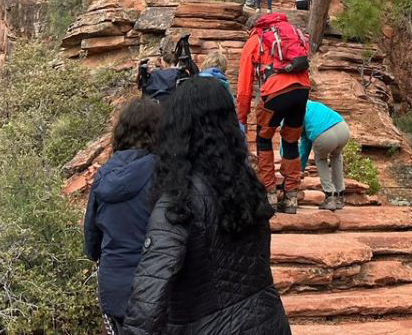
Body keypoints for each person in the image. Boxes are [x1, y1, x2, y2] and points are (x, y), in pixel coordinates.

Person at [122, 77, 290, 335]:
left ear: (176, 128)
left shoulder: (180, 201)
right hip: (267, 319)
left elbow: (150, 291)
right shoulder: (246, 185)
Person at [84, 98, 163, 334]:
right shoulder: (162, 173)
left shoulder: (103, 176)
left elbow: (91, 245)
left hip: (113, 287)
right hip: (154, 286)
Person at [236, 12, 312, 212]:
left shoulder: (255, 40)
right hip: (301, 91)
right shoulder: (292, 33)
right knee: (290, 141)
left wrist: (241, 118)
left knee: (263, 139)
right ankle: (291, 196)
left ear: (251, 28)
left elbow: (244, 87)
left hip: (275, 92)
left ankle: (269, 193)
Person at [299, 99, 352, 211]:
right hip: (342, 128)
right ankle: (340, 195)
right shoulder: (314, 104)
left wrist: (300, 168)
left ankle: (329, 196)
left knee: (320, 159)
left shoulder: (298, 111)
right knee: (336, 156)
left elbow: (305, 145)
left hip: (325, 136)